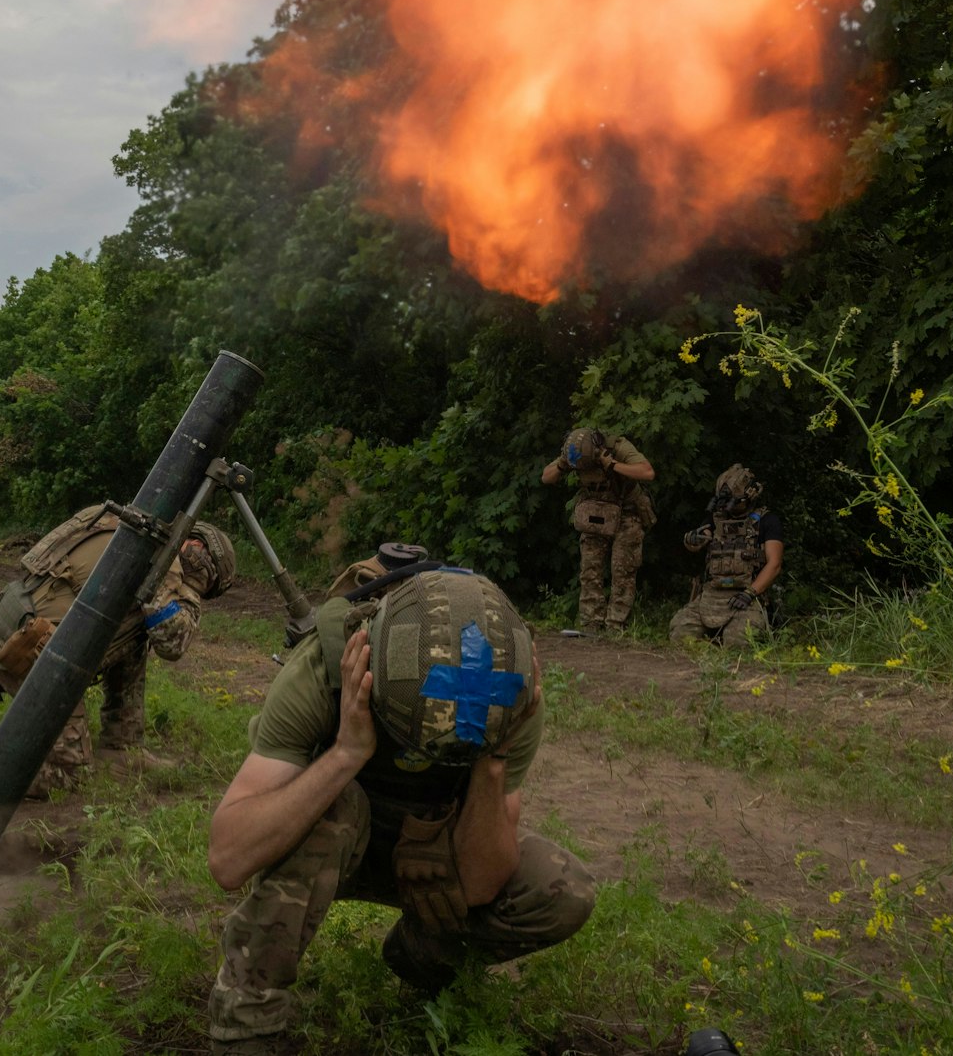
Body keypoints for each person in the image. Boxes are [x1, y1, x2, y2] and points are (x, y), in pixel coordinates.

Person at [204, 569, 597, 1053]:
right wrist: (346, 753)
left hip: (435, 859)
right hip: (333, 847)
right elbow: (229, 858)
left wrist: (491, 761)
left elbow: (479, 885)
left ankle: (423, 956)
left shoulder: (509, 699)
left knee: (563, 888)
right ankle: (246, 1026)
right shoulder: (326, 671)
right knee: (331, 806)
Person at [0, 505, 235, 798]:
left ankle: (121, 747)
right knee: (68, 775)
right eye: (208, 582)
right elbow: (173, 641)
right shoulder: (161, 557)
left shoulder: (125, 525)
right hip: (34, 650)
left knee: (138, 631)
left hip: (24, 631)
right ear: (196, 548)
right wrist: (190, 591)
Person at [540, 427, 656, 634]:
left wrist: (613, 464)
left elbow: (647, 472)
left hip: (627, 510)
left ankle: (616, 626)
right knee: (589, 567)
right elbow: (546, 477)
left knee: (623, 568)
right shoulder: (574, 451)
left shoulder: (617, 446)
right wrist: (561, 464)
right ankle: (591, 623)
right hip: (596, 509)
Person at [668, 464, 783, 645]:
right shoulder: (716, 519)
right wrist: (693, 539)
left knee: (738, 642)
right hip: (712, 594)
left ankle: (721, 641)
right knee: (680, 635)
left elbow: (774, 564)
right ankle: (712, 645)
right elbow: (701, 538)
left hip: (746, 595)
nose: (729, 507)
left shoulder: (767, 521)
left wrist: (750, 593)